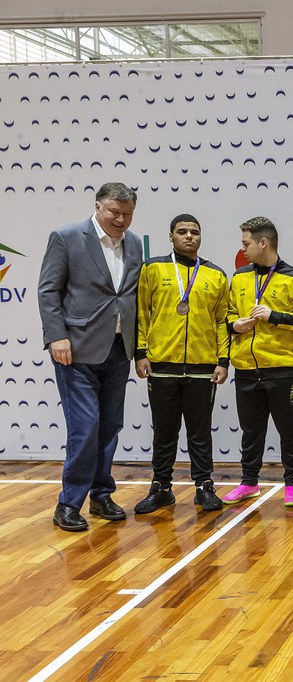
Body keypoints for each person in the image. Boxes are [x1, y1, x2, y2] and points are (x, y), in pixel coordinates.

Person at [38, 182, 144, 532]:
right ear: (98, 206)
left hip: (117, 349)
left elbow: (128, 297)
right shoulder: (66, 236)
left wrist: (138, 347)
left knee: (110, 426)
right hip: (76, 349)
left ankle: (101, 495)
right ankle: (68, 504)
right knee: (85, 428)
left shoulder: (135, 244)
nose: (120, 219)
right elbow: (49, 290)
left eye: (127, 214)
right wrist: (57, 335)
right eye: (114, 212)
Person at [133, 214, 229, 514]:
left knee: (200, 432)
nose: (189, 237)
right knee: (164, 431)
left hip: (203, 366)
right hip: (162, 365)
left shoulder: (215, 274)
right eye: (182, 232)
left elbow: (222, 320)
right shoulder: (153, 268)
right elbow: (142, 313)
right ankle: (161, 487)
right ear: (171, 236)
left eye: (195, 232)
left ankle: (204, 487)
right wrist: (140, 352)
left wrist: (223, 360)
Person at [223, 217, 293, 507]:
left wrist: (274, 316)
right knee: (251, 430)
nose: (243, 249)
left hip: (283, 370)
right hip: (245, 368)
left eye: (246, 243)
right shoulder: (239, 277)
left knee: (289, 429)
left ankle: (292, 484)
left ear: (262, 243)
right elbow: (226, 314)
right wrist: (234, 325)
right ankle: (249, 482)